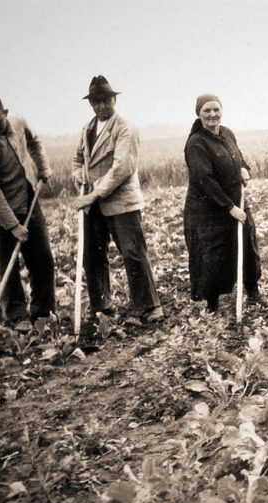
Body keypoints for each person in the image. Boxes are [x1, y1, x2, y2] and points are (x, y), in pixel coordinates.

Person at [72, 76, 164, 322]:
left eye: (105, 100)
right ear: (90, 103)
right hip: (94, 205)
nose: (101, 106)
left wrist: (92, 195)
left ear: (114, 100)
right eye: (96, 101)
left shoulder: (125, 128)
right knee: (94, 256)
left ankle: (149, 308)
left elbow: (121, 168)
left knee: (132, 253)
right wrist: (77, 174)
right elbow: (78, 159)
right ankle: (103, 308)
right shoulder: (87, 129)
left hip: (121, 202)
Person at [0, 91, 56, 332]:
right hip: (0, 214)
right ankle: (17, 316)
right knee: (7, 265)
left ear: (5, 113)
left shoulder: (19, 123)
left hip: (29, 200)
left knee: (43, 259)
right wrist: (13, 225)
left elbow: (36, 142)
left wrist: (44, 167)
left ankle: (44, 312)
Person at [183, 94, 261, 312]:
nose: (212, 114)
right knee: (212, 256)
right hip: (208, 210)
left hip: (236, 200)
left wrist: (243, 167)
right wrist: (230, 208)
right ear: (199, 114)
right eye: (207, 110)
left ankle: (253, 293)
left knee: (247, 245)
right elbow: (205, 180)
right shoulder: (196, 143)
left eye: (216, 109)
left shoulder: (227, 133)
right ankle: (212, 305)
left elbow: (237, 155)